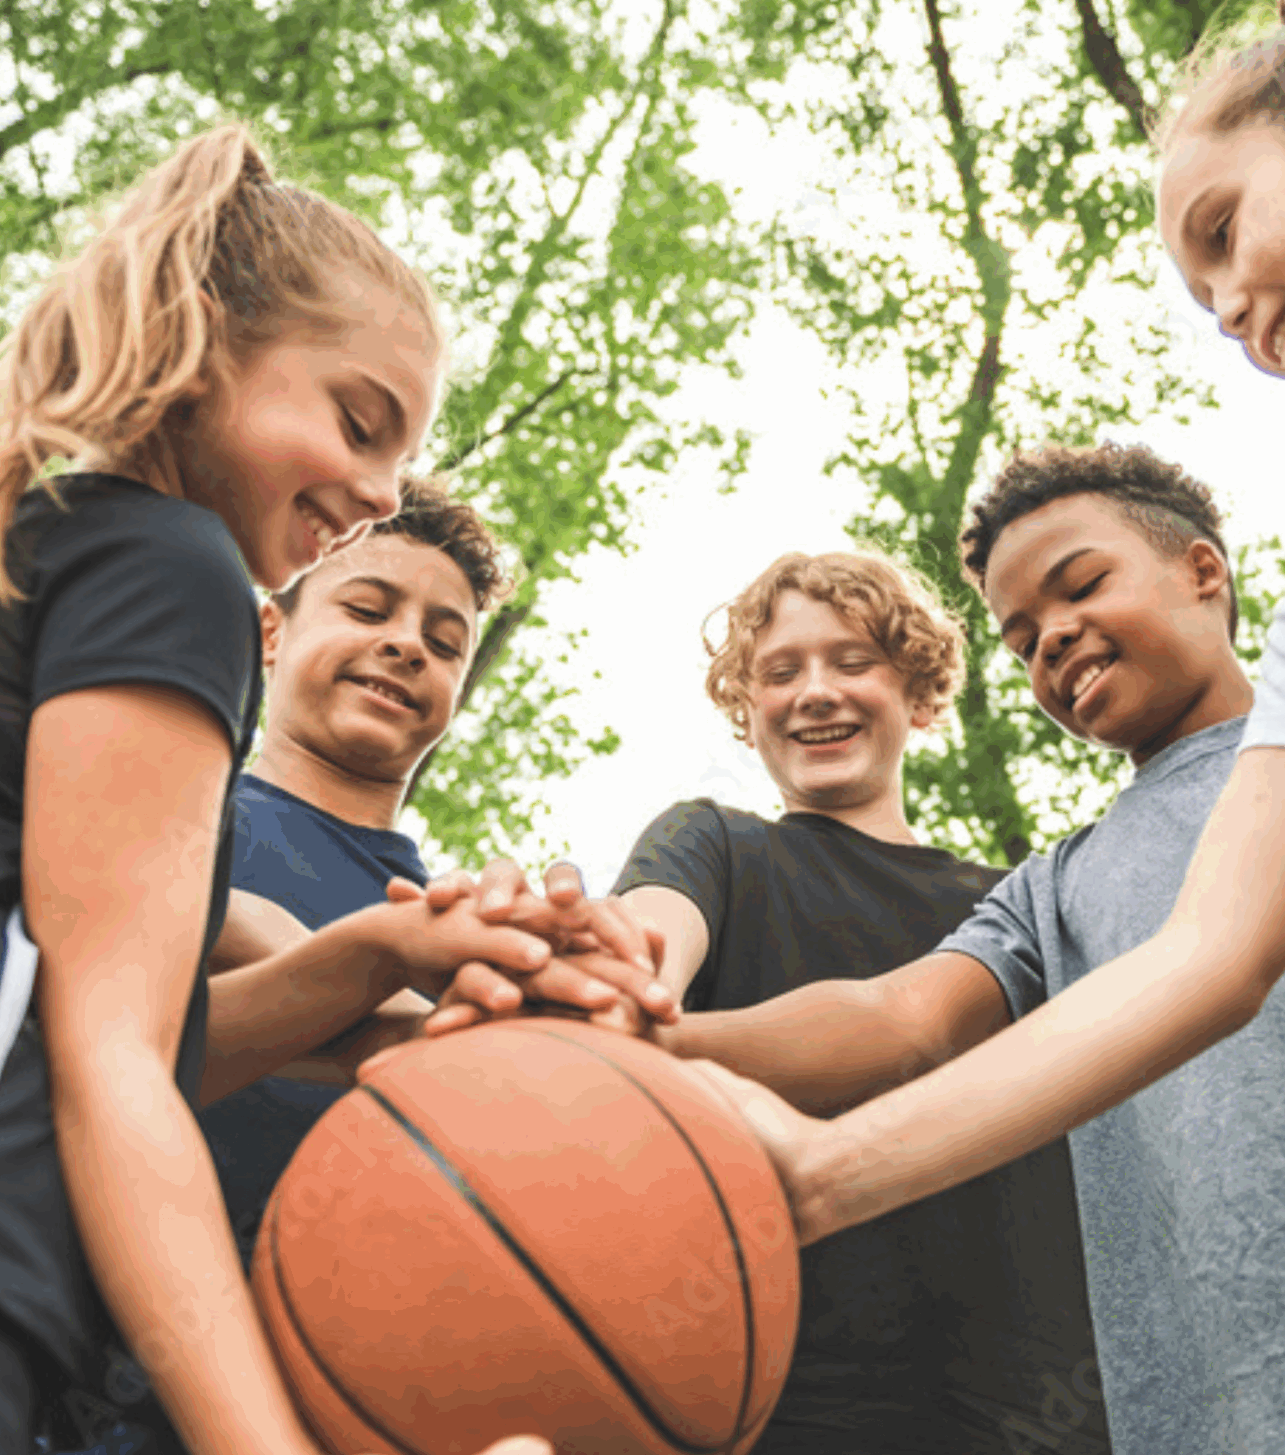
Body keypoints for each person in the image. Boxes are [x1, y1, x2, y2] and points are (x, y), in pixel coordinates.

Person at [632, 0, 1285, 1321]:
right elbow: (1204, 957)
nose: (1224, 305)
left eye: (1222, 231)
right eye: (1193, 291)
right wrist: (812, 1168)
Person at [541, 442, 1285, 1450]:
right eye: (1021, 639)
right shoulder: (1050, 888)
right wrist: (637, 1044)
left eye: (1082, 586)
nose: (1053, 639)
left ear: (1205, 572)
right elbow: (901, 1017)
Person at [0, 122, 669, 1455]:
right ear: (200, 338)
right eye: (360, 423)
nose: (374, 493)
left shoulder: (52, 541)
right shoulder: (167, 561)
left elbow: (80, 1020)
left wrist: (387, 951)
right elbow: (110, 1063)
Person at [606, 552, 1109, 1453]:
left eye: (851, 661)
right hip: (780, 1405)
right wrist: (612, 986)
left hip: (1039, 1406)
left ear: (918, 695)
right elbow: (639, 966)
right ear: (746, 712)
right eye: (779, 671)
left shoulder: (1026, 905)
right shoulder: (713, 845)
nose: (813, 691)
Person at [198, 471, 527, 1273]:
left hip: (328, 1356)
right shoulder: (175, 803)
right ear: (271, 634)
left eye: (445, 643)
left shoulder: (459, 921)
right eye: (367, 609)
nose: (409, 643)